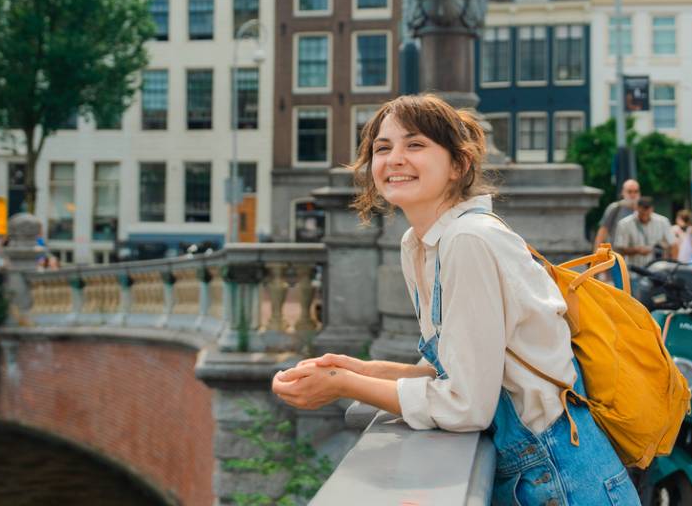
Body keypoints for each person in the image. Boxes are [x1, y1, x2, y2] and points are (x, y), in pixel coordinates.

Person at [270, 94, 639, 506]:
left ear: (458, 165)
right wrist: (362, 368)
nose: (394, 158)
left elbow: (468, 406)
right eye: (382, 147)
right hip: (538, 476)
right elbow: (455, 368)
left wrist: (341, 385)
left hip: (562, 482)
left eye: (415, 145)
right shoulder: (421, 244)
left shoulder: (468, 241)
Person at [593, 179, 641, 249]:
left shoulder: (644, 210)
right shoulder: (615, 208)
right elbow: (603, 232)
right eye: (629, 192)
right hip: (617, 254)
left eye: (636, 191)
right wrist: (597, 255)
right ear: (623, 192)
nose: (633, 195)